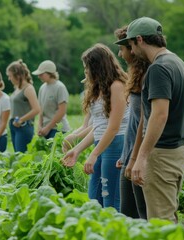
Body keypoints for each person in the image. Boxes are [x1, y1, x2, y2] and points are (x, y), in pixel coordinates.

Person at [115, 17, 184, 222]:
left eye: (130, 44)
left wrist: (142, 157)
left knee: (160, 223)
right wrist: (134, 157)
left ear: (139, 39)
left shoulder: (158, 68)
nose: (131, 51)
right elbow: (146, 116)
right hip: (177, 151)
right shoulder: (177, 62)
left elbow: (159, 115)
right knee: (167, 218)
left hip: (161, 155)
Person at [63, 43, 129, 210]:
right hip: (101, 144)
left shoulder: (117, 86)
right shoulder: (99, 89)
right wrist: (77, 150)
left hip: (116, 144)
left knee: (111, 202)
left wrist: (93, 154)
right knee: (94, 199)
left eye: (88, 68)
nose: (86, 72)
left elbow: (113, 127)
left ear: (98, 67)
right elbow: (98, 127)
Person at [114, 26, 149, 219]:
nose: (120, 54)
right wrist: (126, 153)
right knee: (128, 213)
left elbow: (145, 122)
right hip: (130, 154)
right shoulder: (135, 76)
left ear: (132, 47)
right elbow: (133, 122)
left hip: (140, 156)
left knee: (139, 214)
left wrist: (135, 157)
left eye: (123, 49)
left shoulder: (147, 76)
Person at [6, 59, 40, 153]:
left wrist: (21, 119)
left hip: (23, 127)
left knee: (21, 157)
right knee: (17, 157)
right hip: (14, 126)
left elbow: (36, 109)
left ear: (18, 75)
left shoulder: (28, 88)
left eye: (10, 76)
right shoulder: (17, 88)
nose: (9, 79)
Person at [32, 60, 70, 139]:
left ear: (50, 73)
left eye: (41, 74)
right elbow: (41, 110)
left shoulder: (60, 87)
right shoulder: (42, 88)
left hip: (58, 130)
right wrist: (40, 126)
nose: (39, 76)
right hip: (45, 129)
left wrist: (48, 128)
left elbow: (62, 111)